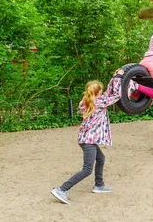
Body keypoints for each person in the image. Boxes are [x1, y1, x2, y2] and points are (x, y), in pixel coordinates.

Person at [51, 69, 124, 205]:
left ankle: (99, 185)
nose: (102, 93)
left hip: (85, 139)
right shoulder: (99, 102)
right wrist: (119, 77)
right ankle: (62, 189)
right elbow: (117, 95)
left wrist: (114, 77)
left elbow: (108, 93)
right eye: (100, 91)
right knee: (87, 169)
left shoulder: (87, 101)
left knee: (101, 159)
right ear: (97, 93)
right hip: (89, 141)